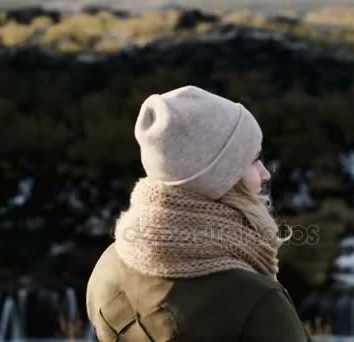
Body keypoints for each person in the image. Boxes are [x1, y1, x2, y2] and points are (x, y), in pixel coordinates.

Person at [86, 85, 312, 341]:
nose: (265, 173)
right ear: (219, 177)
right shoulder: (256, 300)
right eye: (253, 160)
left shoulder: (107, 266)